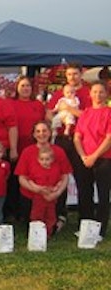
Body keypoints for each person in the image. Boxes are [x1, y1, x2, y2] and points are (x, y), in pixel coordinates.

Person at [45, 63, 92, 229]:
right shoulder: (59, 93)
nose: (72, 77)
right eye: (69, 74)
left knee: (83, 179)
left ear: (81, 75)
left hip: (81, 140)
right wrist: (57, 119)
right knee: (59, 178)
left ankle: (86, 219)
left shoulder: (87, 93)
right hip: (61, 140)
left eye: (75, 74)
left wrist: (70, 110)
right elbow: (49, 112)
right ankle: (59, 216)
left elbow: (89, 116)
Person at [15, 121, 72, 229]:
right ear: (34, 134)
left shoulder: (58, 151)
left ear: (50, 133)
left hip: (53, 195)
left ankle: (59, 218)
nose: (41, 134)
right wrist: (36, 189)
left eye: (44, 131)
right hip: (32, 195)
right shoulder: (27, 152)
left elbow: (65, 176)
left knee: (51, 227)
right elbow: (21, 178)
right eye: (38, 131)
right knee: (33, 228)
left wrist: (57, 192)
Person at [73, 81, 111, 237]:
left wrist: (94, 156)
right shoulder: (86, 113)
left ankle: (100, 229)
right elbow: (77, 137)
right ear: (90, 94)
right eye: (95, 92)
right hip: (84, 158)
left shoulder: (109, 112)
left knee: (103, 194)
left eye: (101, 92)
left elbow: (109, 138)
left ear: (106, 94)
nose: (98, 95)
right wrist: (83, 156)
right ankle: (85, 226)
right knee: (84, 192)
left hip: (104, 158)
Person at [8, 76, 45, 221]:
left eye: (28, 86)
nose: (25, 88)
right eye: (22, 85)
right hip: (16, 147)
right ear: (17, 88)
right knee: (14, 182)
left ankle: (29, 213)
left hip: (34, 149)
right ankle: (12, 212)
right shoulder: (10, 104)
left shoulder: (38, 105)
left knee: (31, 181)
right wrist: (13, 148)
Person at [22, 147, 66, 237]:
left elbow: (60, 180)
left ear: (52, 159)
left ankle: (48, 233)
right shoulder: (35, 169)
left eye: (47, 159)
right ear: (38, 160)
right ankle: (36, 234)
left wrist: (56, 189)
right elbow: (29, 180)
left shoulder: (55, 169)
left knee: (50, 217)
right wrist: (37, 188)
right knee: (37, 216)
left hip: (51, 198)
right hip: (38, 198)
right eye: (42, 159)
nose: (44, 161)